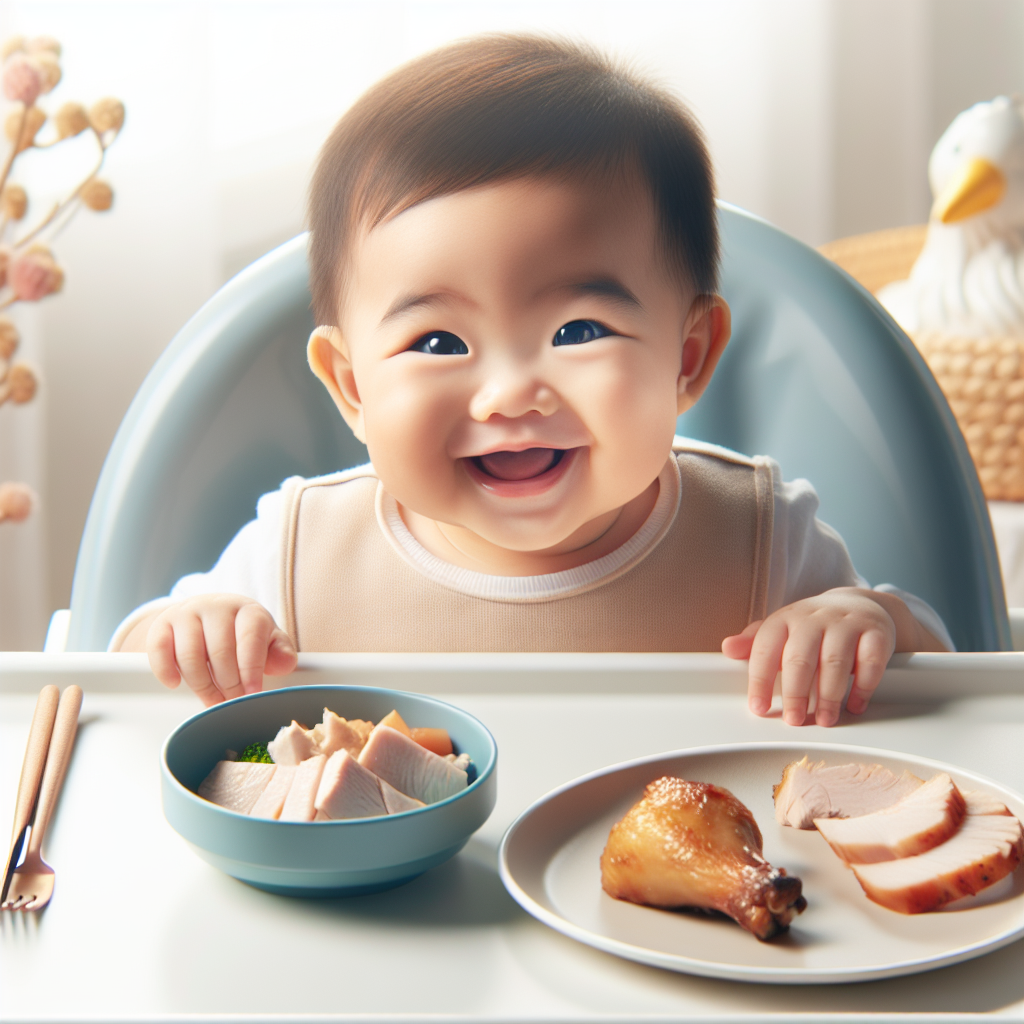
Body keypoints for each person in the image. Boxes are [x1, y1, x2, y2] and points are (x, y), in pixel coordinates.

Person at [114, 35, 950, 721]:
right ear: (352, 386)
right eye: (438, 341)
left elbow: (948, 678)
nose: (510, 392)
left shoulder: (760, 537)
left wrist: (867, 623)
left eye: (578, 330)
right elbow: (113, 679)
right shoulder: (298, 553)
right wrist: (185, 629)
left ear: (687, 358)